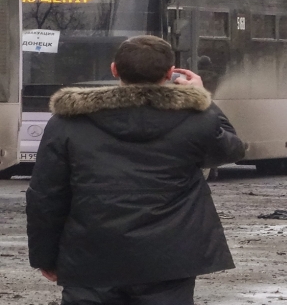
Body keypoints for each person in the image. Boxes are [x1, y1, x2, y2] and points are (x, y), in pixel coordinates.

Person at [26, 35, 247, 305]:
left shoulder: (67, 122)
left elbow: (46, 195)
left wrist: (44, 256)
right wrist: (202, 99)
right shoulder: (195, 120)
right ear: (170, 73)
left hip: (90, 256)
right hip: (169, 259)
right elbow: (232, 149)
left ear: (114, 70)